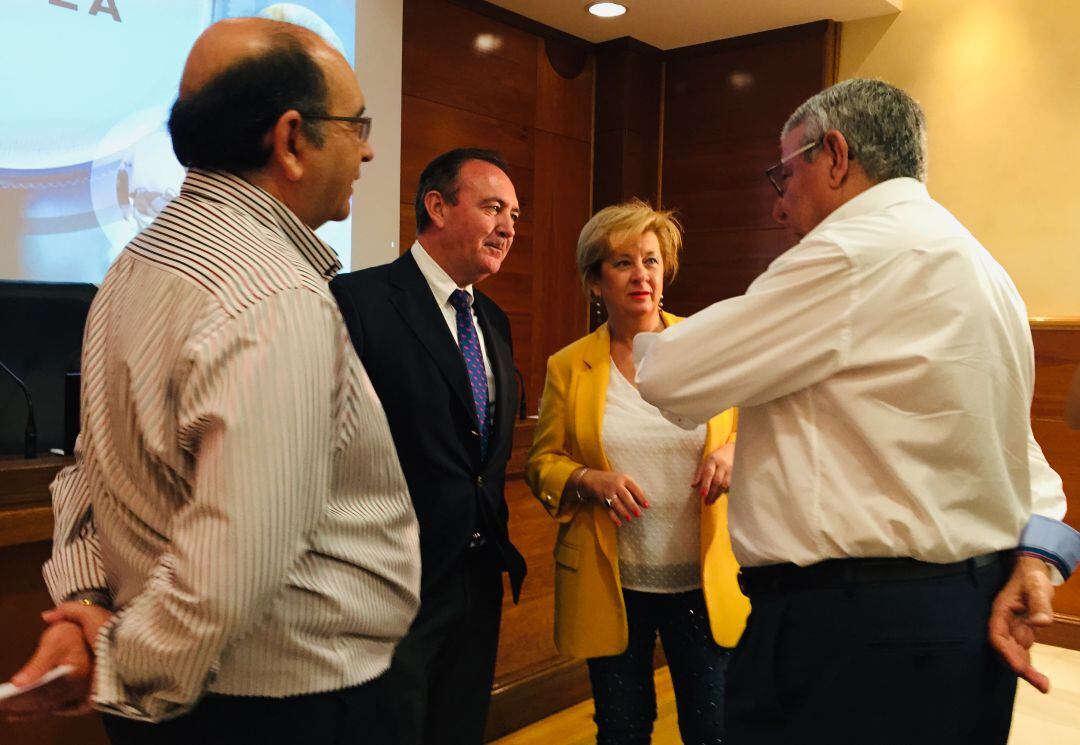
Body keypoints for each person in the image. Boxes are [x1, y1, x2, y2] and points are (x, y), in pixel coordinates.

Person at [3, 18, 420, 744]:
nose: (369, 149)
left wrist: (88, 605)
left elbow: (91, 474)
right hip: (284, 708)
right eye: (356, 125)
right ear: (291, 140)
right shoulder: (272, 297)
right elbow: (237, 561)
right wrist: (115, 657)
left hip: (180, 699)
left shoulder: (134, 266)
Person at [633, 78, 1073, 744]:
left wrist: (636, 336)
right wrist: (1040, 557)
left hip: (854, 633)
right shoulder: (985, 270)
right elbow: (1021, 456)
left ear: (835, 155)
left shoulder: (852, 251)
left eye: (784, 175)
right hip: (966, 618)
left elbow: (670, 375)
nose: (778, 206)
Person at [525, 200, 750, 744]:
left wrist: (730, 454)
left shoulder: (705, 345)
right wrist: (588, 480)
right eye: (622, 262)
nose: (641, 275)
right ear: (595, 281)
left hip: (703, 578)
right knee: (622, 729)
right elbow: (542, 463)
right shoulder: (569, 366)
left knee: (712, 728)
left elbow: (754, 427)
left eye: (650, 260)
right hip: (613, 581)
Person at [330, 148, 527, 745]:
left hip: (478, 579)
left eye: (514, 215)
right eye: (492, 208)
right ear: (437, 207)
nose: (508, 227)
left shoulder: (494, 319)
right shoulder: (358, 302)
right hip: (391, 585)